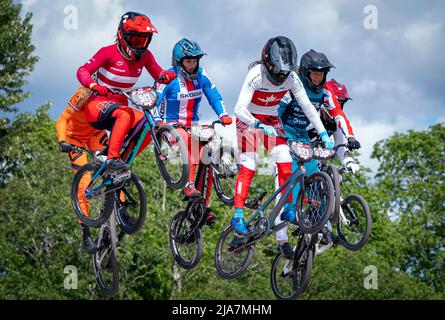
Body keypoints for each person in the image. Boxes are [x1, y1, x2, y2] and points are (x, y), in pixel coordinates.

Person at [231, 37, 334, 237]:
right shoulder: (256, 75)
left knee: (286, 157)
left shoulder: (291, 78)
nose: (282, 77)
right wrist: (257, 124)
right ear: (269, 64)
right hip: (249, 120)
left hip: (270, 120)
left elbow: (309, 108)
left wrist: (322, 132)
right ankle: (238, 215)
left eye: (285, 73)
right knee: (250, 165)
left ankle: (288, 209)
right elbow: (239, 109)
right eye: (278, 72)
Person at [275, 49, 361, 258]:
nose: (338, 106)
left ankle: (320, 226)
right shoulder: (298, 91)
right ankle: (282, 239)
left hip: (305, 148)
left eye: (343, 103)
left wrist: (349, 146)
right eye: (314, 73)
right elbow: (277, 110)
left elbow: (340, 135)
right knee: (284, 182)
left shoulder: (327, 104)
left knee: (322, 183)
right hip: (285, 136)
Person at [76, 11, 176, 173]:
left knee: (148, 125)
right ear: (123, 35)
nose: (139, 45)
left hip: (123, 108)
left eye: (143, 41)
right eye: (136, 40)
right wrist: (94, 85)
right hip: (97, 105)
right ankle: (112, 158)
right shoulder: (108, 52)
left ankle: (121, 164)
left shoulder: (146, 56)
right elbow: (82, 71)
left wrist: (167, 76)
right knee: (125, 114)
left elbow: (158, 74)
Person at [155, 38, 232, 224]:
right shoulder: (168, 77)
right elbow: (153, 101)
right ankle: (188, 184)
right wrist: (157, 121)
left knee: (209, 152)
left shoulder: (202, 75)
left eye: (195, 60)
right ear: (179, 61)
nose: (192, 65)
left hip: (192, 126)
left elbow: (214, 96)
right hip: (170, 128)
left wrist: (223, 114)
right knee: (189, 140)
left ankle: (203, 207)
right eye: (188, 61)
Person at [56, 84, 109, 254]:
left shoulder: (111, 91)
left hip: (94, 133)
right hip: (74, 138)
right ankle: (85, 230)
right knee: (83, 182)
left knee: (114, 165)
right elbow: (62, 119)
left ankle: (121, 206)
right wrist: (62, 140)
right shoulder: (82, 94)